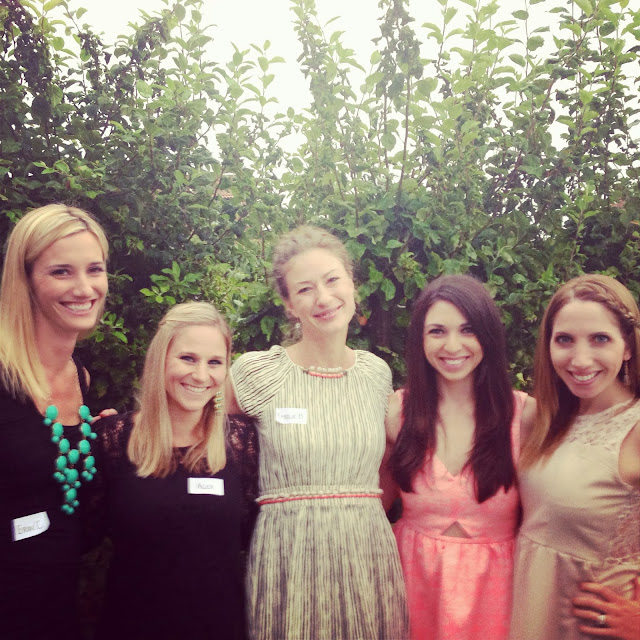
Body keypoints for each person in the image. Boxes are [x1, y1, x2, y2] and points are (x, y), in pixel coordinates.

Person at [228, 225, 409, 640]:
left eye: (332, 280)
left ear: (352, 285)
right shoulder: (257, 373)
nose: (324, 298)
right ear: (289, 305)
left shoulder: (375, 374)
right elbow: (194, 423)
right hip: (288, 557)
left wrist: (352, 516)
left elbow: (388, 464)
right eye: (305, 289)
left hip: (367, 554)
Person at [90, 302, 257, 640]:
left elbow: (250, 534)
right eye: (188, 358)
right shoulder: (112, 439)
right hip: (132, 626)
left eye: (215, 362)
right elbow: (85, 534)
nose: (201, 376)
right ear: (160, 359)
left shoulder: (241, 442)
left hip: (218, 626)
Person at [384, 274, 534, 640]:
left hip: (496, 597)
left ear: (488, 335)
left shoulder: (525, 415)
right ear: (420, 339)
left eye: (468, 330)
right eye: (437, 331)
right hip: (412, 587)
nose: (452, 346)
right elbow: (372, 507)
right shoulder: (396, 411)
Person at [0, 204, 109, 639]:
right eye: (61, 271)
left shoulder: (80, 377)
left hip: (56, 609)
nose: (84, 288)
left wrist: (104, 442)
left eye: (94, 269)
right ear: (25, 280)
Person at [511, 274, 640, 640]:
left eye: (600, 338)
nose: (580, 360)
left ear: (627, 346)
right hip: (530, 613)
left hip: (587, 628)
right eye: (565, 339)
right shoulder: (545, 420)